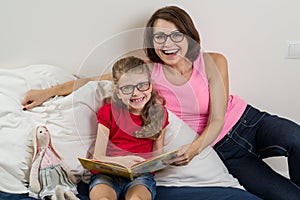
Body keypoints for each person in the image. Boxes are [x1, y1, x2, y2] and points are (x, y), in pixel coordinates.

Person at [23, 5, 300, 200]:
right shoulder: (147, 72)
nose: (168, 44)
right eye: (159, 37)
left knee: (296, 139)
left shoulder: (214, 61)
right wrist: (49, 92)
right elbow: (93, 80)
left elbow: (217, 118)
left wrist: (193, 148)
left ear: (188, 35)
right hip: (222, 150)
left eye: (176, 35)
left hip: (247, 122)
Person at [89, 56, 169, 200]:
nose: (136, 93)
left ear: (150, 85)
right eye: (127, 88)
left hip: (140, 178)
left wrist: (169, 160)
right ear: (118, 92)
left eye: (142, 85)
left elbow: (157, 160)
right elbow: (98, 157)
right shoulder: (108, 112)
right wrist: (122, 161)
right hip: (107, 175)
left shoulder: (159, 114)